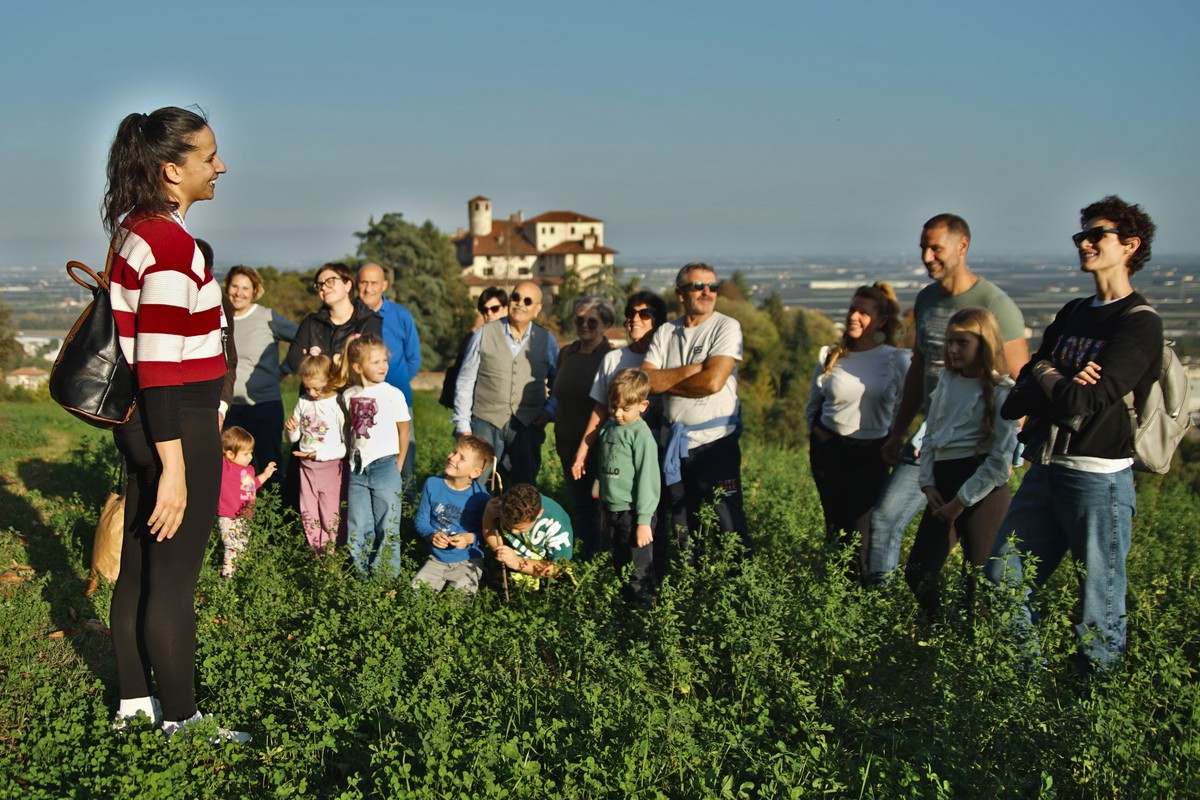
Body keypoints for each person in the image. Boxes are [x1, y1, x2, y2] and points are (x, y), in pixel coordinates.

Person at [103, 106, 247, 740]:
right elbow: (160, 365)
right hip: (175, 421)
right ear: (171, 169)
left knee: (139, 567)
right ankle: (182, 720)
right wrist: (176, 467)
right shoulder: (168, 245)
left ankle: (134, 703)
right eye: (208, 155)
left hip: (145, 420)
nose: (220, 166)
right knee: (174, 581)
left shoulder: (134, 229)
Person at [986, 196, 1163, 677]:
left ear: (1129, 245)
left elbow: (1084, 402)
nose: (1084, 242)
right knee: (1002, 579)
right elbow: (1015, 398)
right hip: (1046, 471)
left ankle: (1094, 712)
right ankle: (1029, 687)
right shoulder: (1072, 313)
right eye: (1080, 234)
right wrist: (1054, 373)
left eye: (1096, 234)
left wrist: (1045, 373)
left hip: (1098, 481)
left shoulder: (1139, 322)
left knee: (1098, 605)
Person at [867, 214, 1029, 585]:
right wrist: (897, 431)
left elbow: (1022, 381)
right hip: (932, 436)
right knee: (886, 517)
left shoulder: (994, 303)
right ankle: (880, 609)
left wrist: (1006, 450)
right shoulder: (926, 299)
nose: (927, 256)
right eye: (923, 247)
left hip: (978, 444)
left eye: (935, 248)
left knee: (978, 564)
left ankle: (968, 631)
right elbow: (918, 369)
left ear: (962, 246)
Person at [904, 309, 1018, 619]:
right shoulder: (946, 382)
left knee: (978, 584)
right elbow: (929, 438)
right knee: (918, 572)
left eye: (962, 342)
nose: (953, 349)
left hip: (982, 492)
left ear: (984, 343)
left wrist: (961, 502)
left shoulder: (1002, 391)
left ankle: (972, 648)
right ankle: (940, 629)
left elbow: (999, 462)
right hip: (942, 486)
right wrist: (927, 484)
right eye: (950, 341)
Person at [641, 263, 750, 560]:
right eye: (698, 286)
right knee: (683, 528)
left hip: (716, 445)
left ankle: (742, 592)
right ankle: (691, 591)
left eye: (712, 287)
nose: (707, 292)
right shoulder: (666, 332)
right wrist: (693, 370)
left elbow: (712, 382)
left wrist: (668, 379)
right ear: (680, 293)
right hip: (674, 447)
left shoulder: (726, 327)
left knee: (729, 527)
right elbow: (646, 380)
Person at [805, 282, 909, 575]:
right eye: (852, 309)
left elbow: (905, 403)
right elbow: (813, 404)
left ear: (882, 321)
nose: (854, 316)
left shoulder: (896, 358)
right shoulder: (830, 354)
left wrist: (895, 437)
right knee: (834, 525)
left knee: (862, 531)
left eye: (864, 312)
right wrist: (814, 436)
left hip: (872, 451)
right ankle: (834, 593)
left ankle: (863, 593)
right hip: (828, 447)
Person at [452, 281, 558, 487]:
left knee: (524, 486)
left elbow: (559, 382)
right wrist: (463, 426)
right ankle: (478, 520)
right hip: (485, 421)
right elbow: (465, 381)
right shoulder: (483, 333)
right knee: (478, 483)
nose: (519, 304)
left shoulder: (547, 341)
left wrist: (549, 411)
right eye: (515, 297)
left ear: (537, 309)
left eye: (527, 301)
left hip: (528, 425)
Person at [341, 334, 411, 579]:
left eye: (385, 360)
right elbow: (349, 428)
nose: (384, 366)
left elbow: (404, 430)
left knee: (387, 524)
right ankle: (361, 578)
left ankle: (384, 580)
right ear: (358, 367)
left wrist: (398, 463)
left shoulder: (393, 394)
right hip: (357, 468)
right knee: (358, 526)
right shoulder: (348, 395)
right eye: (376, 362)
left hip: (385, 466)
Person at [551, 296, 615, 559]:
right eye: (580, 319)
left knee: (603, 505)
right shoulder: (567, 353)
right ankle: (588, 556)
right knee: (580, 506)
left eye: (592, 321)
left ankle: (607, 558)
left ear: (606, 325)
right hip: (566, 443)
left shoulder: (611, 358)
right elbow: (557, 392)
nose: (585, 325)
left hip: (597, 447)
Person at [223, 264, 298, 483]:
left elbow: (302, 337)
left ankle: (275, 515)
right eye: (235, 286)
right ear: (227, 288)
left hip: (263, 405)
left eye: (245, 288)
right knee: (230, 467)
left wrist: (284, 369)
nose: (239, 293)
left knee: (269, 464)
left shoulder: (267, 317)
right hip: (228, 406)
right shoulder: (220, 317)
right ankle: (234, 514)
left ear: (255, 291)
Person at [597, 369, 661, 602]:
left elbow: (648, 480)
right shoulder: (609, 428)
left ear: (643, 405)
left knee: (638, 572)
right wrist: (604, 508)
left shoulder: (641, 436)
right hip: (613, 512)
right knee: (619, 567)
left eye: (625, 408)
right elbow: (604, 473)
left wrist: (644, 521)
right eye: (614, 406)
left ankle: (644, 618)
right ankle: (625, 616)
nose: (618, 413)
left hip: (634, 514)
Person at [357, 263, 421, 484]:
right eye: (364, 282)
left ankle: (407, 509)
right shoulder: (352, 315)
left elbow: (414, 358)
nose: (368, 288)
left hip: (398, 399)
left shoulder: (401, 315)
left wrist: (393, 386)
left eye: (374, 283)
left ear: (384, 285)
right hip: (361, 401)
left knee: (404, 461)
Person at [412, 435, 495, 595]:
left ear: (475, 472)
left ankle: (481, 573)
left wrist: (470, 538)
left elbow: (488, 533)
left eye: (461, 458)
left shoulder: (481, 497)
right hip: (436, 559)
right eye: (454, 451)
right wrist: (431, 535)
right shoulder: (432, 484)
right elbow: (421, 520)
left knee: (459, 602)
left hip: (468, 560)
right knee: (415, 595)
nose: (452, 457)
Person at [285, 354, 346, 555]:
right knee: (309, 513)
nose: (312, 393)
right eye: (307, 388)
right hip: (306, 467)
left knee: (330, 514)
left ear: (330, 378)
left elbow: (346, 445)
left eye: (317, 388)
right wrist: (290, 429)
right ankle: (317, 553)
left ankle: (331, 553)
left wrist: (319, 455)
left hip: (330, 468)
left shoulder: (337, 403)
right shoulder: (304, 402)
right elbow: (293, 436)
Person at [286, 263, 382, 373]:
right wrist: (337, 358)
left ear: (347, 285)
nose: (323, 287)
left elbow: (365, 362)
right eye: (319, 285)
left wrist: (317, 358)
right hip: (315, 390)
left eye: (330, 281)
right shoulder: (311, 321)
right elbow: (293, 361)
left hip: (353, 390)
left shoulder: (369, 321)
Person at [481, 483, 574, 591]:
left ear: (539, 514)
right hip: (514, 561)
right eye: (507, 526)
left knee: (562, 586)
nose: (514, 532)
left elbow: (557, 568)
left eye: (520, 529)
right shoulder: (504, 507)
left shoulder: (555, 523)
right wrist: (487, 517)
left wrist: (517, 562)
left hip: (545, 568)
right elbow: (497, 546)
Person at [217, 426, 277, 577]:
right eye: (246, 454)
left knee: (241, 547)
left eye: (251, 452)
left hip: (245, 516)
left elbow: (253, 486)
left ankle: (237, 573)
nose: (250, 457)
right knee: (232, 546)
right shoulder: (226, 468)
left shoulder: (248, 470)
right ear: (230, 454)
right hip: (229, 516)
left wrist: (265, 475)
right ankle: (227, 577)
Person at [439, 286, 508, 409]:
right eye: (484, 310)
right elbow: (463, 373)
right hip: (478, 407)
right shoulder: (475, 338)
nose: (489, 314)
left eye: (494, 309)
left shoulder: (517, 339)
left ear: (506, 309)